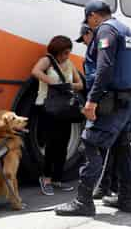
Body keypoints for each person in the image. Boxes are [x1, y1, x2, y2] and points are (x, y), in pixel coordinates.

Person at [55, 0, 131, 216]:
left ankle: (83, 202)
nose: (90, 25)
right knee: (123, 147)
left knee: (89, 143)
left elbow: (105, 67)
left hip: (111, 101)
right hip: (127, 99)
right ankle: (127, 199)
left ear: (93, 16)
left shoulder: (106, 30)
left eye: (89, 20)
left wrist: (91, 100)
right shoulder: (127, 30)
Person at [32, 35, 83, 195]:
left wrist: (68, 86)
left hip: (64, 109)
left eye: (68, 52)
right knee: (51, 145)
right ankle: (46, 179)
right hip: (48, 107)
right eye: (64, 52)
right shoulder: (47, 60)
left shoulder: (69, 63)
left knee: (63, 145)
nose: (66, 56)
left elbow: (80, 84)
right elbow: (35, 71)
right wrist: (52, 81)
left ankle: (57, 179)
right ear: (57, 51)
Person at [76, 23, 118, 199]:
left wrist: (91, 100)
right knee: (114, 145)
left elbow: (98, 75)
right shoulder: (103, 45)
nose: (84, 43)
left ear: (88, 33)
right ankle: (108, 187)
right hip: (112, 100)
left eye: (83, 39)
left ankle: (91, 193)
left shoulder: (99, 46)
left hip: (102, 101)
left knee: (93, 142)